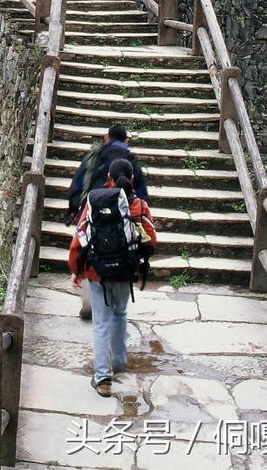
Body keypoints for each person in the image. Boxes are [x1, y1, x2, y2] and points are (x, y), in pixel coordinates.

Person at [68, 158, 157, 397]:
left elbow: (80, 237)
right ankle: (118, 361)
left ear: (108, 177)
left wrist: (76, 269)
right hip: (125, 272)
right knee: (120, 313)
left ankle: (103, 377)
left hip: (98, 272)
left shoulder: (95, 200)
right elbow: (152, 238)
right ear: (132, 178)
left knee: (101, 322)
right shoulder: (139, 205)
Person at [67, 124, 148, 223]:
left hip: (93, 210)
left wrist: (74, 209)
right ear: (126, 141)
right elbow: (141, 191)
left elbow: (78, 183)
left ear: (107, 138)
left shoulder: (93, 157)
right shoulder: (131, 160)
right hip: (123, 215)